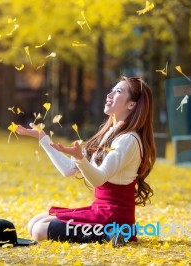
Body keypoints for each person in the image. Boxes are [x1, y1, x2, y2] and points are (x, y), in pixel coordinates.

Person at [16, 76, 155, 247]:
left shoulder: (128, 140)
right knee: (34, 223)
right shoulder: (110, 133)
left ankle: (112, 235)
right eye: (112, 89)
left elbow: (99, 178)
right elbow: (69, 169)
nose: (109, 94)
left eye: (118, 92)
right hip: (100, 209)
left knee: (39, 230)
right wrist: (43, 138)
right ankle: (109, 234)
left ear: (131, 104)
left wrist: (81, 159)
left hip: (114, 218)